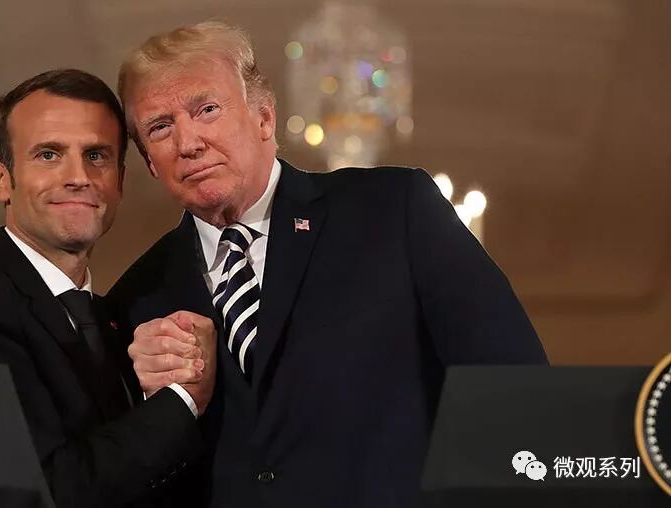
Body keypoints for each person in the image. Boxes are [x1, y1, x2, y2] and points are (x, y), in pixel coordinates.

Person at [107, 22, 549, 507]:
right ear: (150, 162)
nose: (188, 142)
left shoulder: (394, 209)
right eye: (160, 127)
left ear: (264, 117)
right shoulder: (136, 299)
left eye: (207, 109)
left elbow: (514, 390)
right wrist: (158, 406)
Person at [0, 69, 213, 508]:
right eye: (49, 154)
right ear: (1, 179)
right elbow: (39, 492)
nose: (78, 176)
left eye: (96, 155)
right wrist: (181, 400)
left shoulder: (119, 318)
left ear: (119, 181)